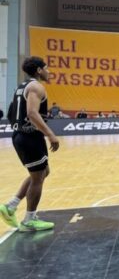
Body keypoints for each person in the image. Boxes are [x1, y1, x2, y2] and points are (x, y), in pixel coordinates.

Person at [0, 57, 60, 232]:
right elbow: (32, 113)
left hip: (22, 135)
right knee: (37, 178)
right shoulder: (36, 87)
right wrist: (50, 134)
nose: (49, 71)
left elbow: (12, 112)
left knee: (42, 172)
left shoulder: (22, 86)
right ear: (39, 70)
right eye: (47, 68)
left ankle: (11, 205)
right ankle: (29, 219)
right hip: (29, 137)